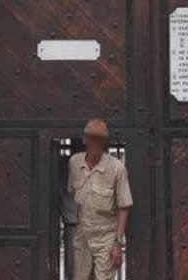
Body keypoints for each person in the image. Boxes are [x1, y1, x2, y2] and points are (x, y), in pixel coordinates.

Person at [66, 118, 132, 280]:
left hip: (106, 237)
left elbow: (124, 207)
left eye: (99, 139)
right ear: (85, 140)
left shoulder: (116, 168)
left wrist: (118, 243)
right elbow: (71, 193)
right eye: (91, 138)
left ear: (104, 142)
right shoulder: (74, 163)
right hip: (83, 234)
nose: (94, 143)